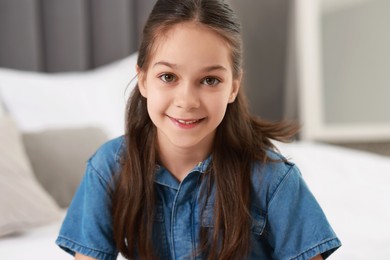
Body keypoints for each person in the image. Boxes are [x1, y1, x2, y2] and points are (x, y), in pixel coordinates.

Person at [56, 0, 341, 259]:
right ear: (143, 80)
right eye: (168, 77)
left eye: (210, 80)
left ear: (233, 87)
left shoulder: (273, 179)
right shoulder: (109, 168)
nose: (187, 101)